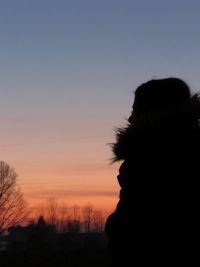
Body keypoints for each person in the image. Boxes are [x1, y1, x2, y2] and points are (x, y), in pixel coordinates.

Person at [105, 78, 200, 266]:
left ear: (152, 113)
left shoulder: (152, 158)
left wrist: (115, 227)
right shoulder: (185, 150)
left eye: (135, 110)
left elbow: (137, 226)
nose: (130, 118)